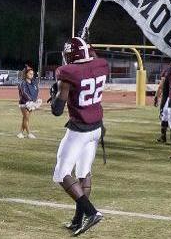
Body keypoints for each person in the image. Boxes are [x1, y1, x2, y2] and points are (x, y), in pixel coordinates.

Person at [51, 37, 107, 235]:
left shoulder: (67, 73)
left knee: (61, 173)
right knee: (83, 172)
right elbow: (91, 60)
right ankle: (77, 220)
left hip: (79, 130)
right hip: (97, 128)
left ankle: (92, 213)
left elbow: (57, 110)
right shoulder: (101, 65)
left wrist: (57, 91)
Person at [18, 66, 42, 139]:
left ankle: (20, 133)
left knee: (26, 118)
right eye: (30, 74)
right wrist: (30, 100)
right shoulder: (23, 82)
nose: (32, 75)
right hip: (24, 103)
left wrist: (35, 100)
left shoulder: (33, 82)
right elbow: (24, 93)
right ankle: (29, 133)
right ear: (26, 74)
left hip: (32, 102)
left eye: (32, 74)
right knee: (26, 117)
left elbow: (36, 90)